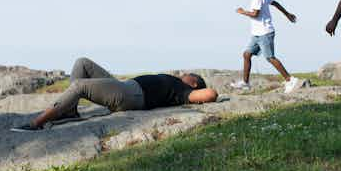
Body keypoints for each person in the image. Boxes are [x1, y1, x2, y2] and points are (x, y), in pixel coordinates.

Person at [13, 57, 219, 131]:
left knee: (79, 87)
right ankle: (70, 111)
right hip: (125, 86)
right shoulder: (177, 84)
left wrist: (196, 91)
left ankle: (36, 124)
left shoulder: (182, 91)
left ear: (194, 83)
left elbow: (211, 94)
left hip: (132, 96)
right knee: (82, 63)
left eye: (188, 75)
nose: (183, 73)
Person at [230, 0, 301, 93]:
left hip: (265, 33)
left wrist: (243, 12)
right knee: (247, 54)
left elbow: (255, 14)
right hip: (257, 34)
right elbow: (275, 3)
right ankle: (246, 83)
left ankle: (290, 80)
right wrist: (287, 14)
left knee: (270, 57)